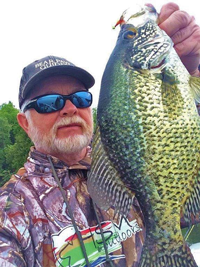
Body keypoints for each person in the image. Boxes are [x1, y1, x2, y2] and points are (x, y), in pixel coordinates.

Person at [0, 2, 200, 267]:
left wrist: (192, 76)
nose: (70, 108)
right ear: (24, 123)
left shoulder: (125, 167)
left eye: (80, 98)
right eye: (50, 102)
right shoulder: (11, 210)